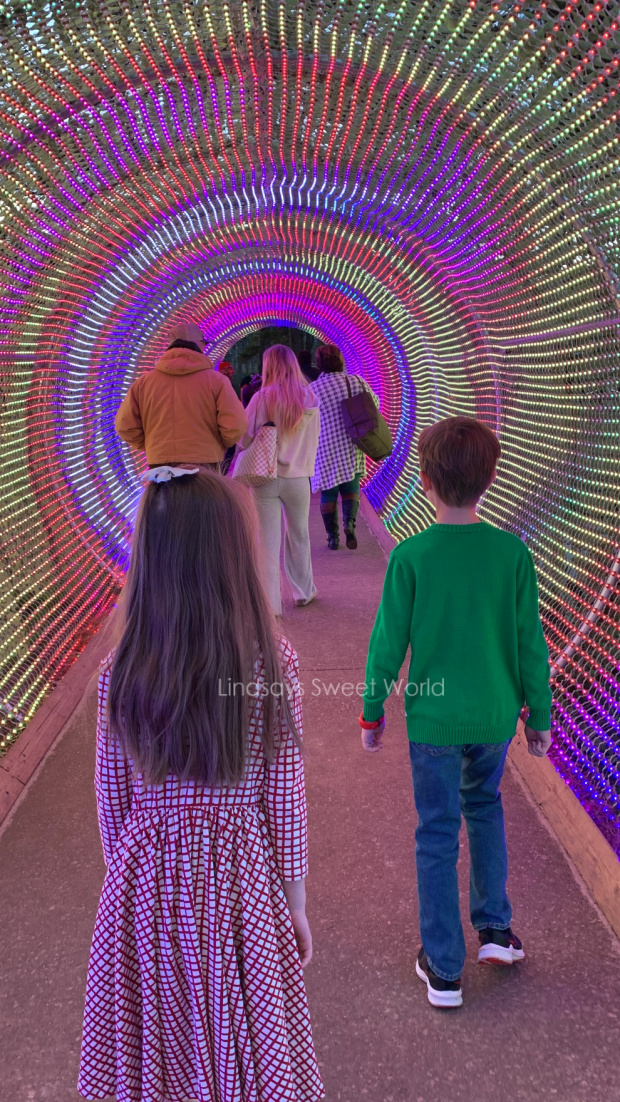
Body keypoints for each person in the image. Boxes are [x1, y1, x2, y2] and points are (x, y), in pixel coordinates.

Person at [78, 467, 324, 1102]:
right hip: (241, 882)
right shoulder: (270, 661)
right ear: (231, 555)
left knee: (160, 1046)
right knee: (245, 1036)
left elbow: (113, 803)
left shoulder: (121, 669)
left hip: (145, 883)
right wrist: (295, 903)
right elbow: (284, 794)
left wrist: (124, 892)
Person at [359, 416, 552, 1009]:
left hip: (434, 722)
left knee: (437, 831)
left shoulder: (412, 557)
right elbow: (530, 642)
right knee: (485, 806)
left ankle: (444, 968)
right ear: (489, 479)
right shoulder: (511, 554)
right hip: (494, 716)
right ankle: (495, 929)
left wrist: (372, 710)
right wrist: (539, 716)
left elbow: (387, 643)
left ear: (424, 479)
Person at [242, 345, 320, 615]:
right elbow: (315, 438)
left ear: (269, 366)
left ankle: (271, 603)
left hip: (265, 476)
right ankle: (304, 591)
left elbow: (244, 437)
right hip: (299, 477)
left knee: (267, 541)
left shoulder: (261, 398)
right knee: (299, 535)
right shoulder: (310, 398)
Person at [115, 321, 248, 469]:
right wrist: (217, 446)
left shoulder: (143, 383)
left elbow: (125, 426)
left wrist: (153, 446)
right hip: (206, 463)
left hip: (160, 466)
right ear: (198, 344)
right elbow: (236, 425)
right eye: (204, 344)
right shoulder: (217, 381)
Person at [311, 344, 380, 551]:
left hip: (324, 448)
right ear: (341, 361)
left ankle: (333, 538)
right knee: (351, 488)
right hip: (351, 443)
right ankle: (349, 524)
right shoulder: (356, 381)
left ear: (320, 364)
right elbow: (374, 404)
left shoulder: (312, 390)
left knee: (328, 493)